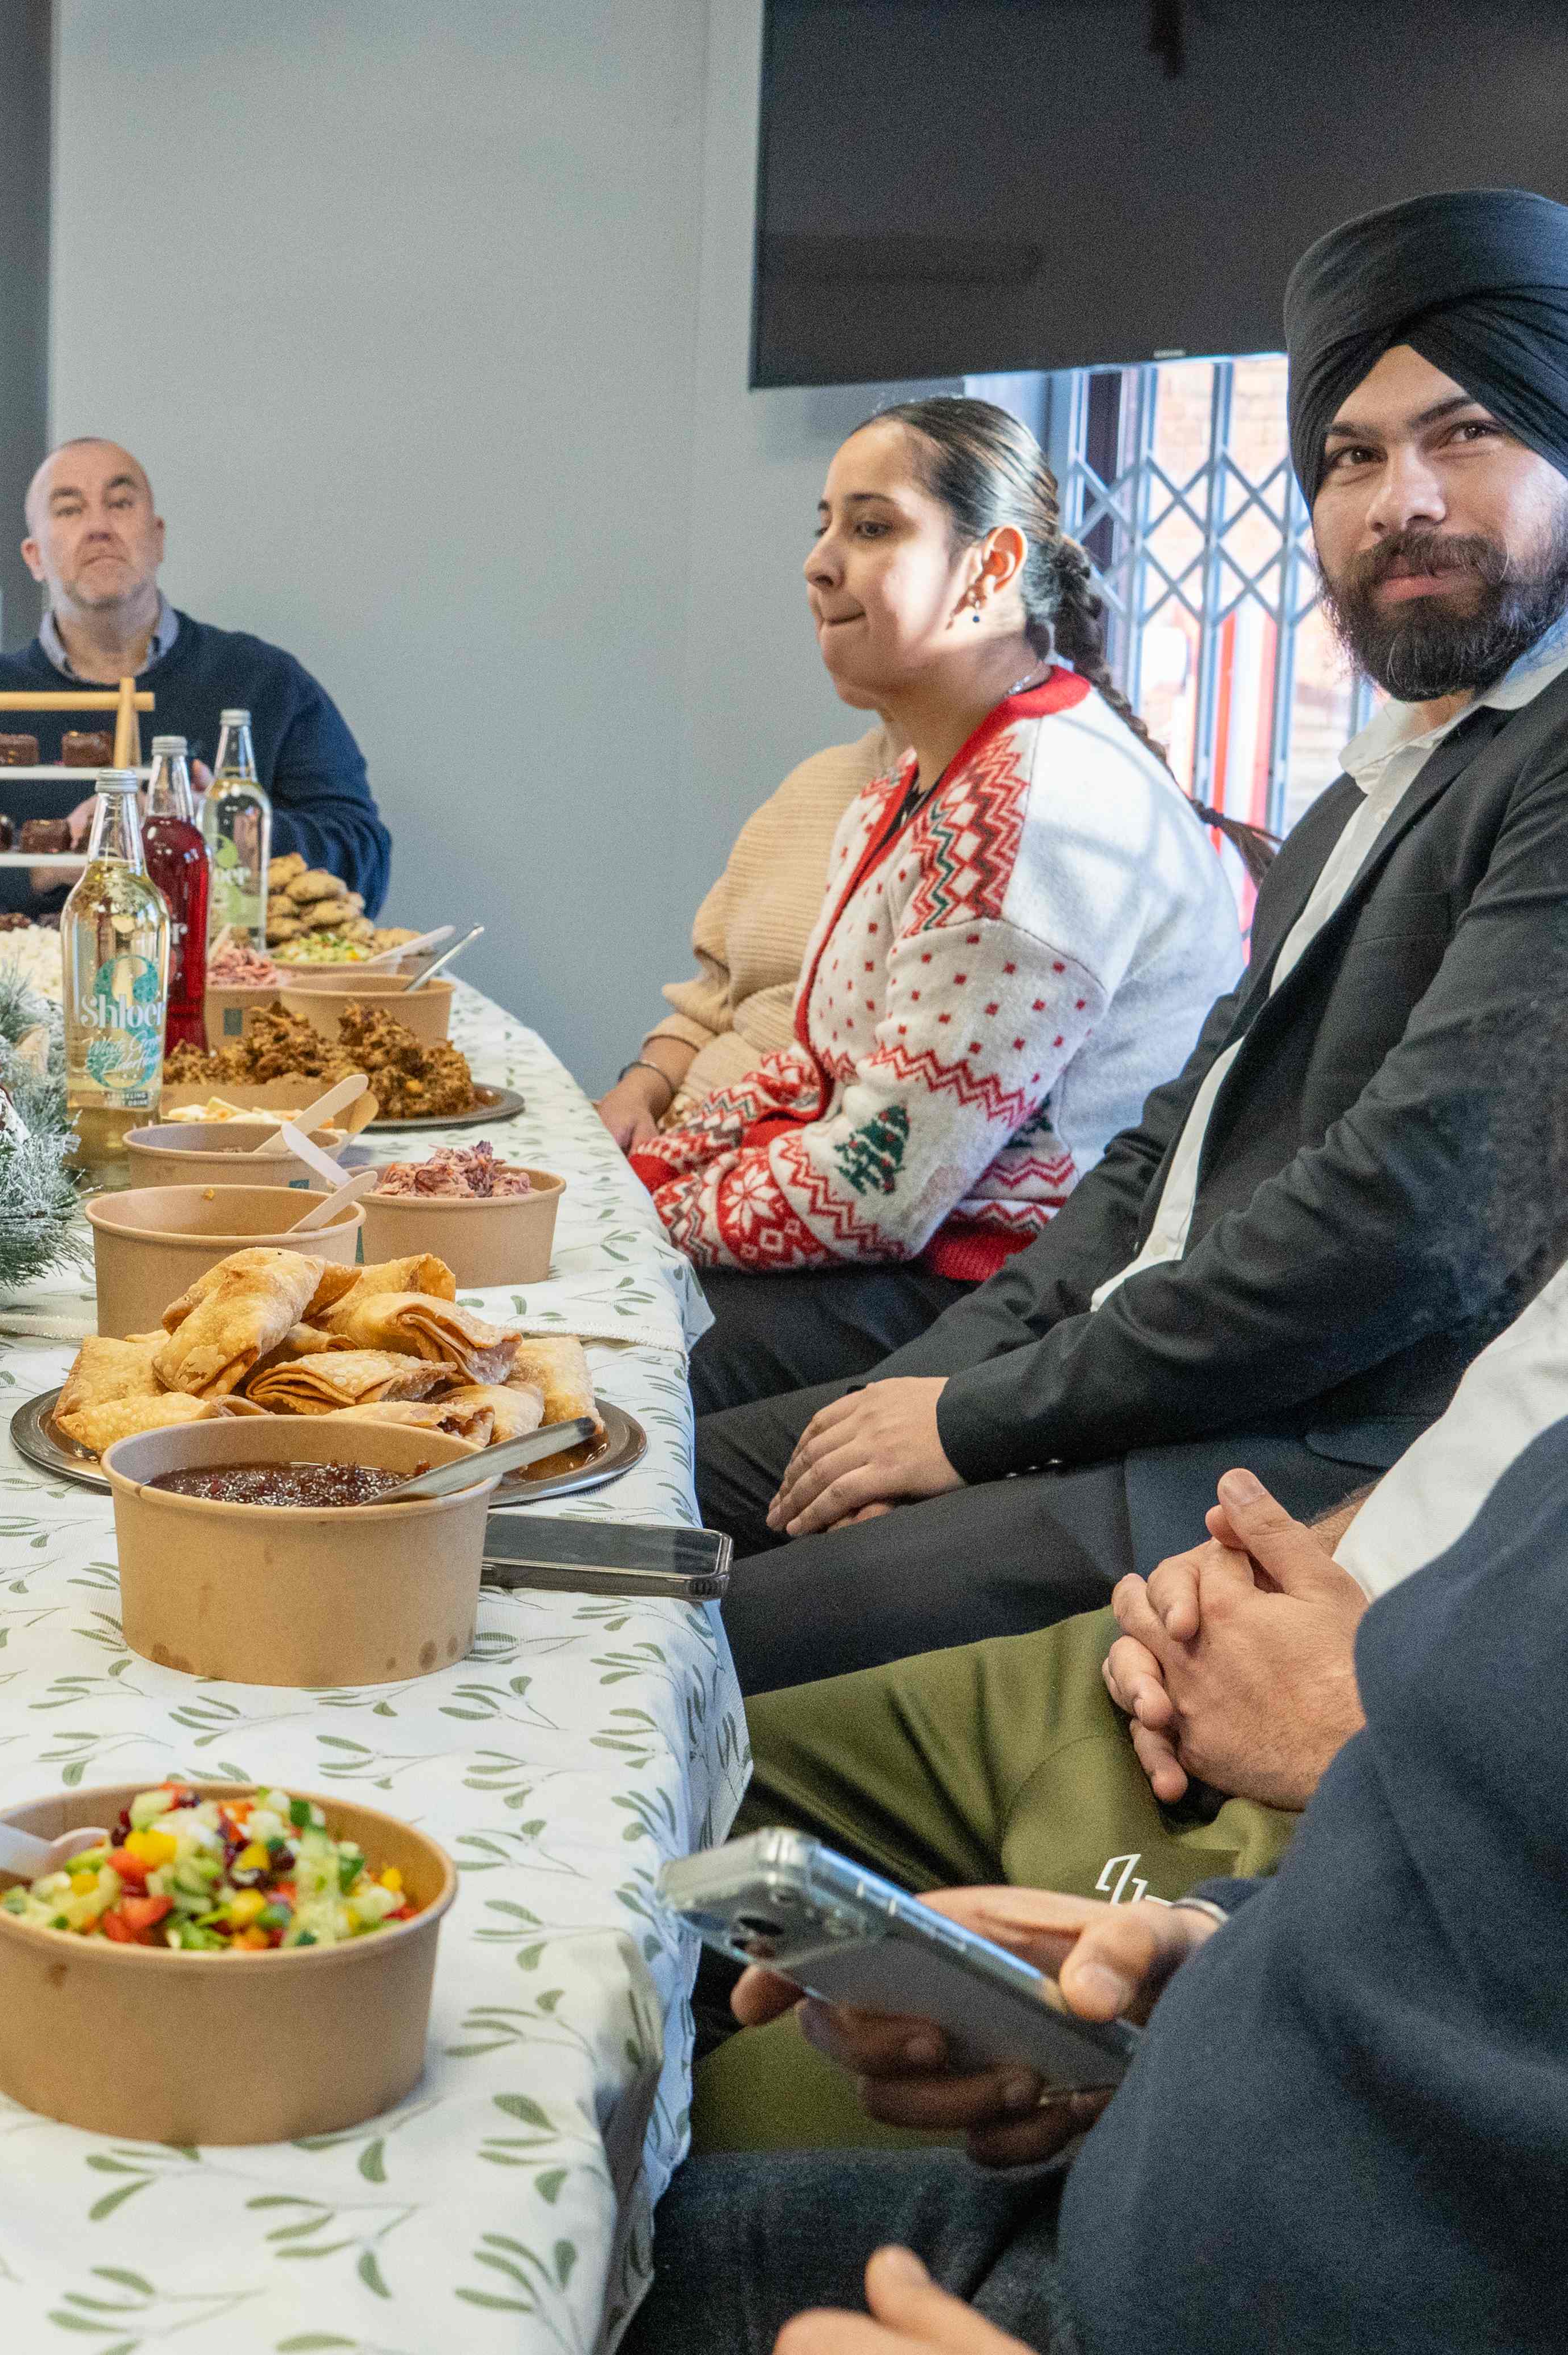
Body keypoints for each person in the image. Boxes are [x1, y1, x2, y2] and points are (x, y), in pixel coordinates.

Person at [696, 187, 1568, 1695]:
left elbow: (1404, 1217)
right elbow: (1160, 1161)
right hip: (1109, 1376)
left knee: (696, 1649)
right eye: (1350, 454)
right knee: (637, 1493)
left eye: (1464, 433)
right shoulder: (1383, 773)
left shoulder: (1542, 762)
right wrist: (923, 1394)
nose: (1398, 497)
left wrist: (971, 1416)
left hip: (1269, 1457)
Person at [627, 1407, 1568, 2355]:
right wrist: (1203, 1952)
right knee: (655, 1800)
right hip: (1180, 2189)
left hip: (1188, 2288)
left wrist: (1331, 1717)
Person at [694, 1248, 1568, 2154]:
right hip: (1227, 1652)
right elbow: (1500, 1431)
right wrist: (1266, 1560)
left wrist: (1353, 1714)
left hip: (1386, 1790)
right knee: (676, 1786)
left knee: (746, 2114)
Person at [636, 402, 1252, 1418]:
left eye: (871, 528)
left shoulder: (1037, 816)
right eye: (823, 524)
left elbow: (875, 1190)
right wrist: (647, 1175)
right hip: (901, 1252)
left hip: (996, 1299)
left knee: (593, 1365)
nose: (818, 563)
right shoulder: (919, 780)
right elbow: (816, 1067)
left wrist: (647, 1221)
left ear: (988, 568)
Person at [0, 437, 391, 921]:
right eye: (69, 510)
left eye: (120, 503)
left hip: (226, 990)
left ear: (157, 538)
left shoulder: (265, 684)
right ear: (34, 557)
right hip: (26, 992)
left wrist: (223, 829)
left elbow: (366, 862)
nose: (99, 527)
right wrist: (47, 864)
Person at [597, 724, 894, 1152]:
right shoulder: (817, 781)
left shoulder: (985, 815)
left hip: (773, 1167)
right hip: (682, 1133)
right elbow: (711, 1005)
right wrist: (638, 1091)